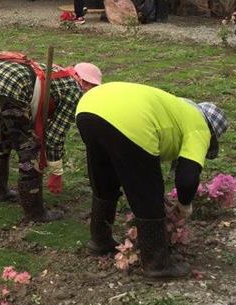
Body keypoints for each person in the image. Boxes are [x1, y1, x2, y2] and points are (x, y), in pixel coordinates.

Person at [75, 82, 228, 280]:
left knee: (105, 179)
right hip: (130, 120)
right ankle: (157, 264)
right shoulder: (200, 126)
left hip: (89, 107)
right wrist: (184, 205)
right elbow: (188, 178)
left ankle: (100, 240)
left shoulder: (176, 109)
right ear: (212, 133)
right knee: (147, 192)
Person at [0, 54, 102, 221]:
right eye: (92, 88)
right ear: (86, 83)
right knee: (29, 149)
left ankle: (1, 191)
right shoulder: (74, 91)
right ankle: (35, 212)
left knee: (1, 138)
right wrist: (56, 171)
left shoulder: (60, 73)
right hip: (9, 85)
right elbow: (55, 137)